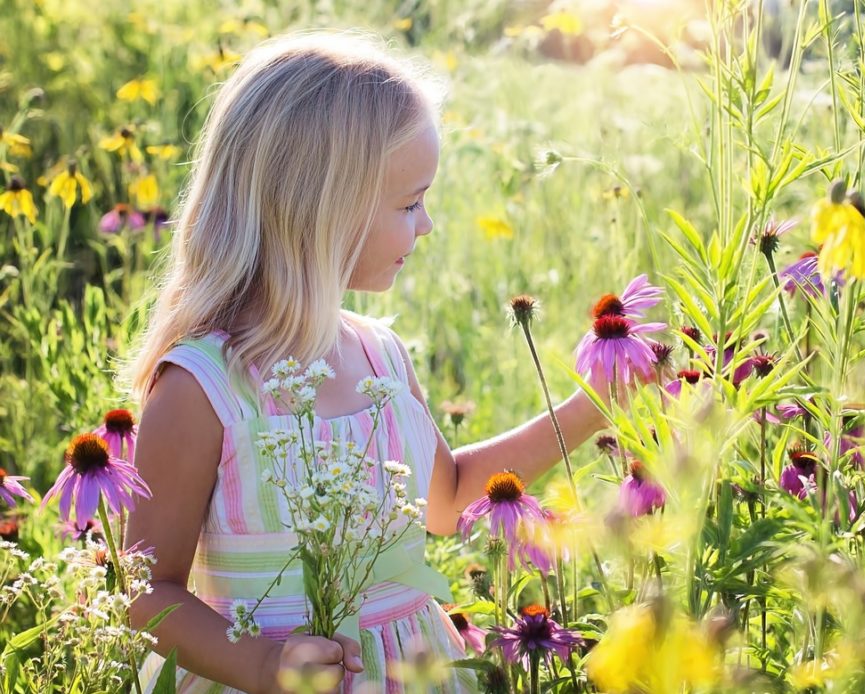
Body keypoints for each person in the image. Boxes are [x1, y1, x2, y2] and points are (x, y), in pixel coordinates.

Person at [123, 31, 607, 693]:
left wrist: (594, 405)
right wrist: (263, 665)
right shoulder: (203, 387)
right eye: (410, 204)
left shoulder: (381, 355)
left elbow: (449, 501)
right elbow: (147, 594)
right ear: (320, 211)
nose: (428, 225)